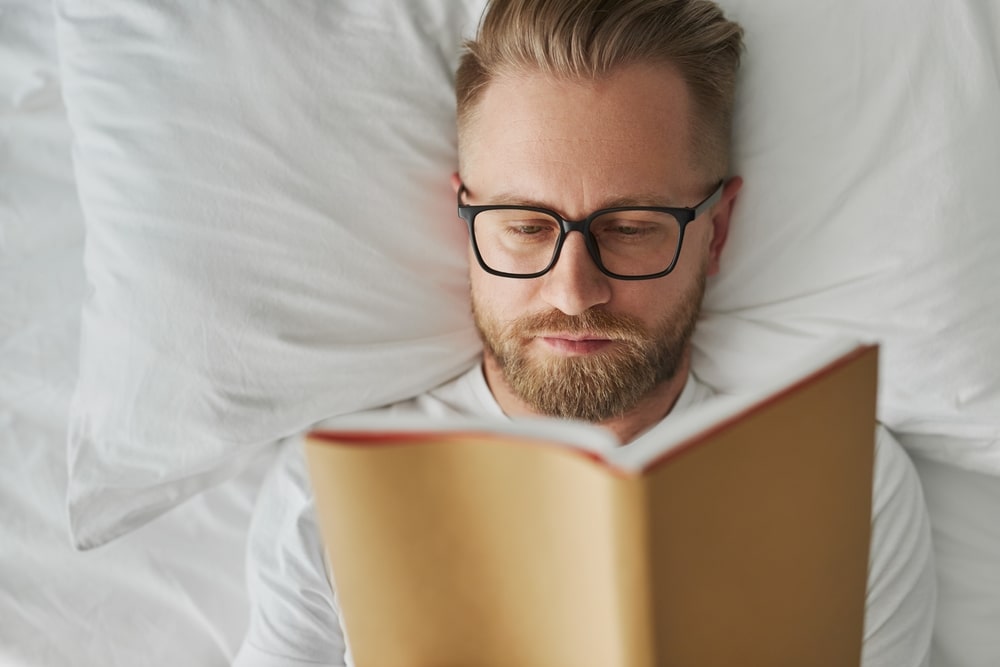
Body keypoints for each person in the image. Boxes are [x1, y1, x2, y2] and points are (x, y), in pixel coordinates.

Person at [234, 1, 936, 665]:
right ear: (466, 217)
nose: (574, 291)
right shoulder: (330, 491)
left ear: (715, 232)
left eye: (630, 229)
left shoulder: (847, 485)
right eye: (525, 227)